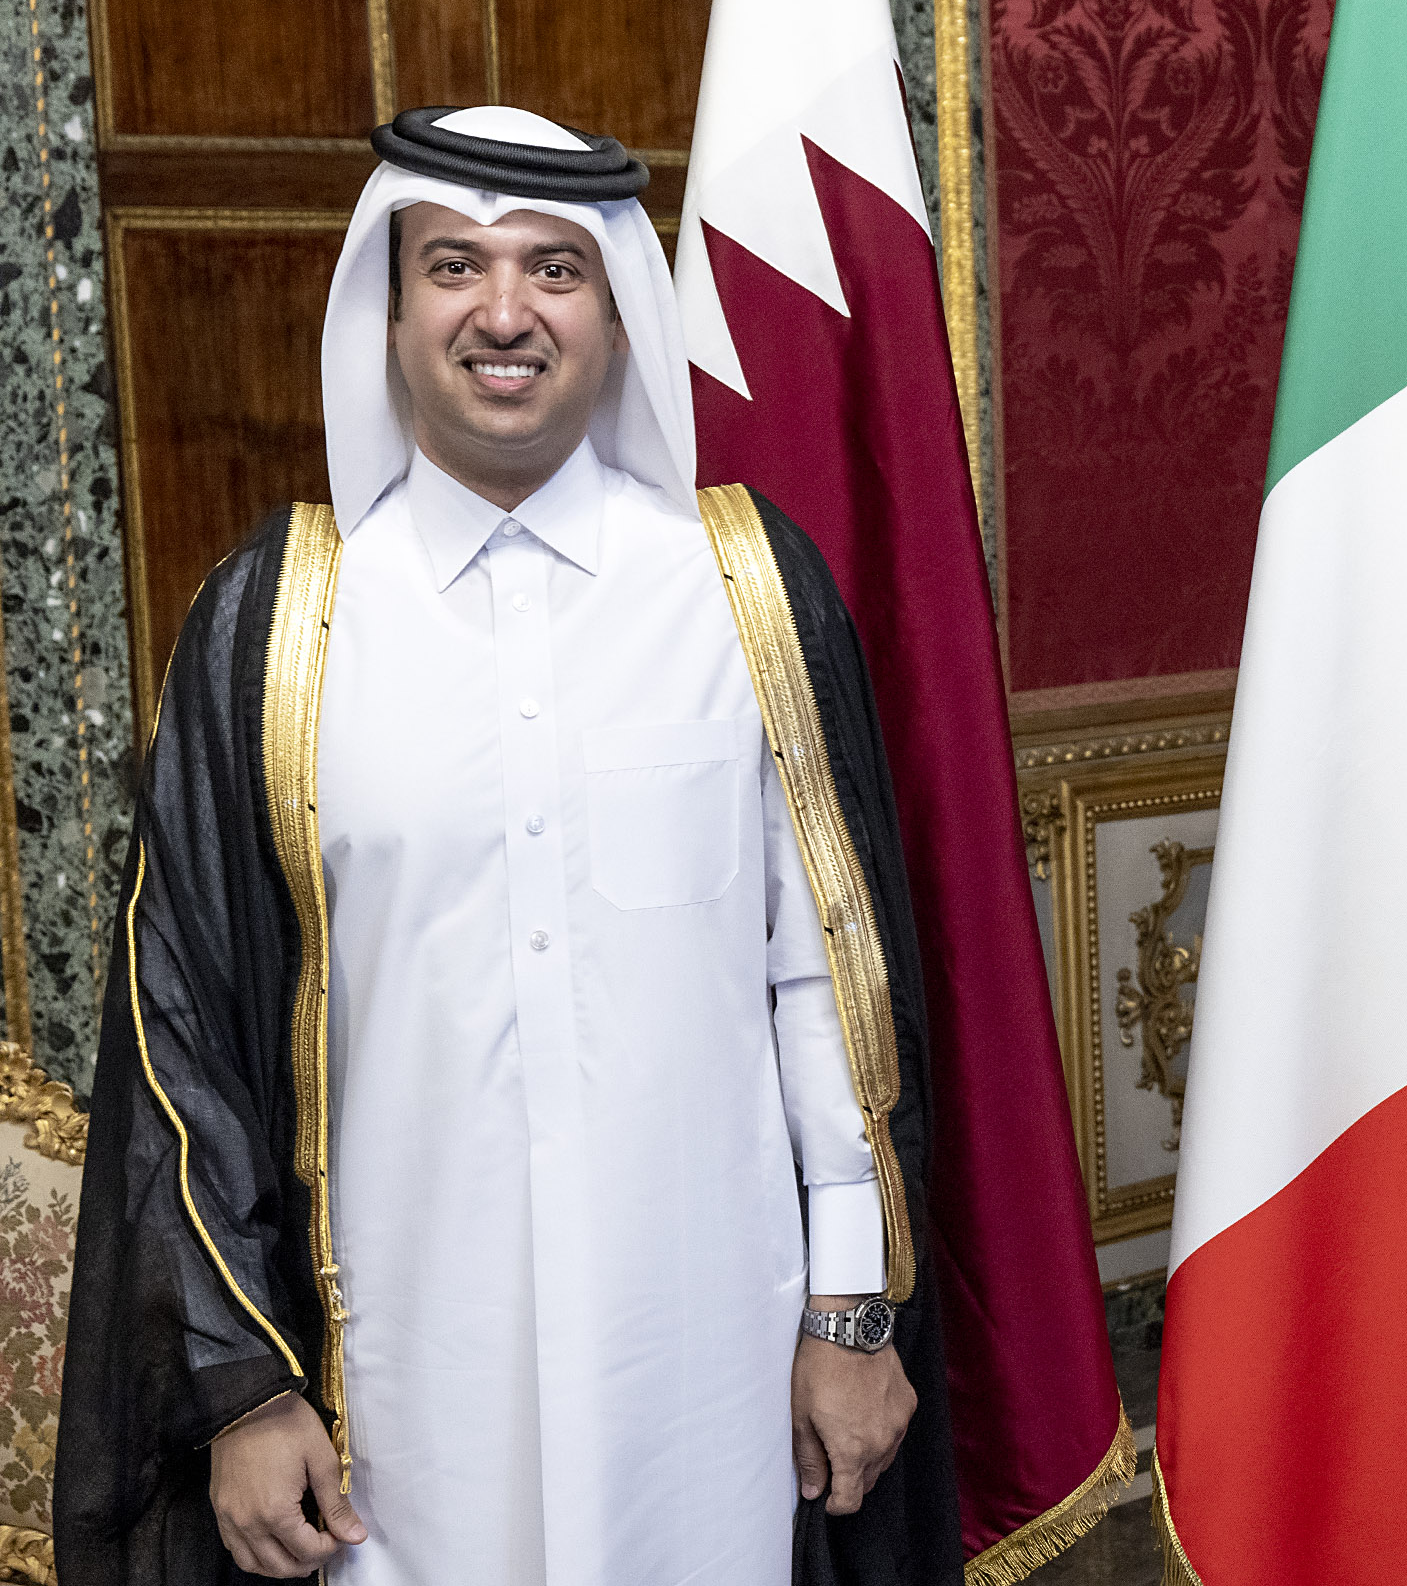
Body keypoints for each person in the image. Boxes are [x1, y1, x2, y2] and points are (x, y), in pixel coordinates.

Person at [57, 106, 961, 1585]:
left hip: (714, 1374)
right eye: (452, 267)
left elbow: (827, 990)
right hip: (400, 1404)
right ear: (390, 311)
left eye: (553, 268)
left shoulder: (740, 594)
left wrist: (852, 1318)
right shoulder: (279, 628)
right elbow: (182, 1035)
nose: (502, 312)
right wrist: (242, 1386)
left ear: (616, 312)